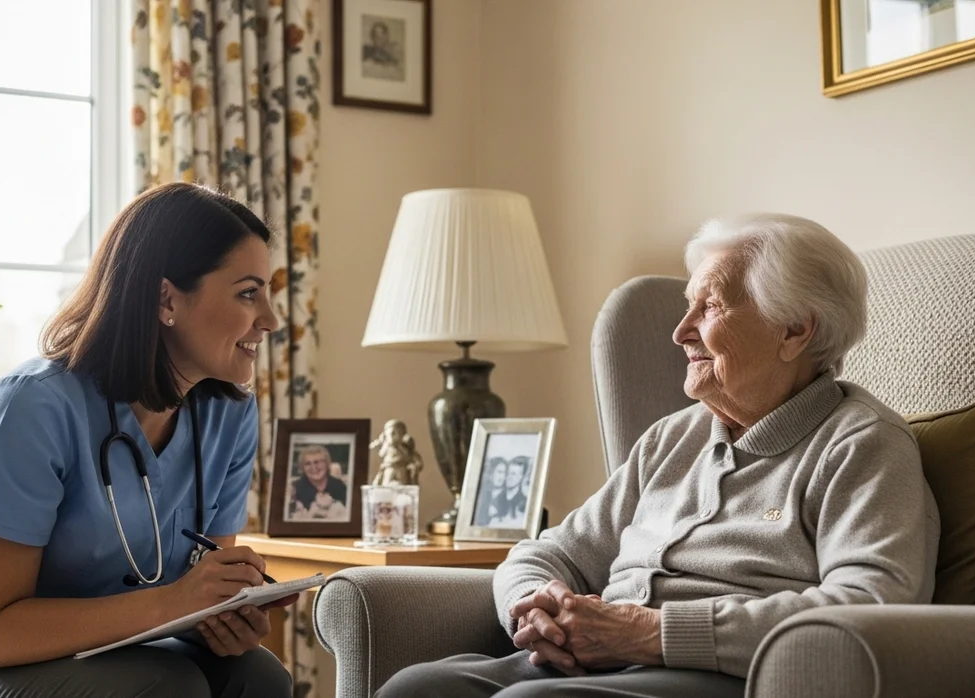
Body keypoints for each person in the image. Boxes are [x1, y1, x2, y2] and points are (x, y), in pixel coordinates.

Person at [376, 213, 941, 698]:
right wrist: (535, 606)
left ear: (794, 330)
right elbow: (553, 552)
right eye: (686, 306)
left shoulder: (861, 445)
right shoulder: (673, 438)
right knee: (418, 689)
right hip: (595, 667)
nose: (680, 332)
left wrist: (650, 632)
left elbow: (871, 605)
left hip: (722, 678)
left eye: (710, 307)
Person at [0, 183, 299, 698]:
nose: (271, 319)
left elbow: (197, 596)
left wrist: (220, 618)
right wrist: (175, 603)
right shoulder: (31, 408)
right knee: (164, 686)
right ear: (166, 299)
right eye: (249, 292)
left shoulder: (230, 416)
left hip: (106, 654)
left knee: (257, 675)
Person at [289, 444, 349, 520]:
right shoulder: (295, 488)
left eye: (317, 462)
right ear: (302, 468)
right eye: (308, 463)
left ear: (327, 464)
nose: (313, 467)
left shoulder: (339, 486)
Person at [490, 456, 530, 528]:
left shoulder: (525, 503)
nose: (509, 477)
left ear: (522, 476)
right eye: (508, 473)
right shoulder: (496, 500)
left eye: (514, 474)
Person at [474, 457, 508, 526]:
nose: (502, 477)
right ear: (491, 473)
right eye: (499, 472)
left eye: (504, 473)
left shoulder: (506, 496)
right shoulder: (483, 494)